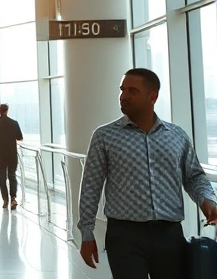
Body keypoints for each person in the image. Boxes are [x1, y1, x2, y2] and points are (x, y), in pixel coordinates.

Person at [78, 68, 217, 278]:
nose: (123, 96)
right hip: (124, 236)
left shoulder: (176, 135)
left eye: (132, 91)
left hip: (170, 235)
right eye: (122, 89)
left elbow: (194, 176)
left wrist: (207, 200)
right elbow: (91, 186)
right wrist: (87, 234)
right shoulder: (104, 136)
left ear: (153, 96)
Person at [0, 103, 23, 210]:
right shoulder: (14, 123)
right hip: (12, 154)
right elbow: (19, 138)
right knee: (12, 176)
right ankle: (13, 198)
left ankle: (5, 199)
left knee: (2, 178)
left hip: (0, 155)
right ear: (7, 111)